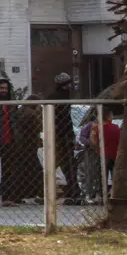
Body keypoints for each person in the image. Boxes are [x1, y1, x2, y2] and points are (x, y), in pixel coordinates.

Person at [4, 96, 45, 204]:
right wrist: (39, 114)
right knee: (37, 171)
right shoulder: (31, 113)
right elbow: (39, 127)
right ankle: (41, 194)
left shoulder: (20, 111)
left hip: (19, 145)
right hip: (29, 146)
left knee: (20, 171)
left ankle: (17, 195)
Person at [50, 73, 82, 203]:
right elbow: (63, 120)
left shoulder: (61, 98)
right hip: (59, 136)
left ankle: (72, 191)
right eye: (66, 84)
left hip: (61, 135)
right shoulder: (57, 98)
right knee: (66, 164)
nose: (69, 86)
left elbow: (67, 119)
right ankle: (72, 191)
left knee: (66, 165)